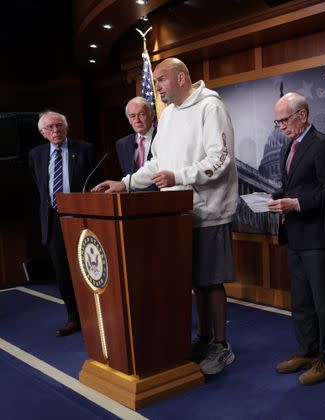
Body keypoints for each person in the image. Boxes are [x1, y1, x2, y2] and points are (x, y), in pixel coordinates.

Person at [92, 57, 239, 375]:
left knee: (211, 280)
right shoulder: (169, 115)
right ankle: (203, 337)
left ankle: (222, 345)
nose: (156, 87)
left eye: (161, 80)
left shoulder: (210, 107)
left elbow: (221, 158)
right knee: (196, 280)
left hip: (209, 209)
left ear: (182, 78)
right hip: (178, 213)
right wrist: (125, 183)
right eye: (155, 80)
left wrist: (180, 176)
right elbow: (157, 163)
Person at [267, 92, 325, 385]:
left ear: (302, 115)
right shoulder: (289, 146)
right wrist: (273, 200)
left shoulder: (322, 145)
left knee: (324, 302)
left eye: (284, 120)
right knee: (301, 302)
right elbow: (293, 186)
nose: (281, 126)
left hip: (318, 236)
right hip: (295, 236)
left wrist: (295, 203)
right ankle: (307, 351)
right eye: (278, 122)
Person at [28, 111, 101, 337]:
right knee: (63, 273)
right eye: (50, 128)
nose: (55, 130)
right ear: (42, 133)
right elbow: (39, 186)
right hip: (53, 221)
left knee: (90, 270)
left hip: (83, 219)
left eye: (59, 126)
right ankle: (73, 318)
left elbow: (97, 185)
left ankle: (97, 316)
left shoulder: (85, 149)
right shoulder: (36, 155)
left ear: (67, 128)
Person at [115, 97, 158, 191]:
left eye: (141, 114)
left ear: (151, 115)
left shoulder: (161, 136)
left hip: (161, 197)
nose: (137, 120)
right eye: (132, 116)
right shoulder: (122, 144)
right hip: (133, 200)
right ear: (129, 120)